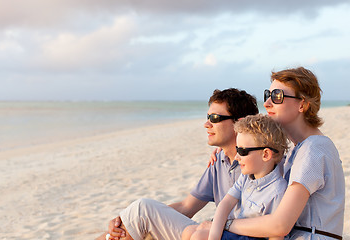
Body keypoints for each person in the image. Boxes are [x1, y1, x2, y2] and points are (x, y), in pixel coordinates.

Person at [97, 88, 259, 240]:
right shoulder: (218, 162)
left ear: (240, 123)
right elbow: (186, 207)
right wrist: (125, 218)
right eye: (207, 117)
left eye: (215, 118)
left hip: (230, 234)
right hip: (213, 232)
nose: (207, 124)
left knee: (142, 209)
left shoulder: (258, 161)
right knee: (136, 215)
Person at [206, 67, 345, 239]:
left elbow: (280, 225)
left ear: (302, 104)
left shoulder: (313, 149)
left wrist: (224, 223)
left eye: (277, 96)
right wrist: (226, 149)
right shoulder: (298, 148)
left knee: (200, 233)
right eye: (267, 95)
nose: (266, 103)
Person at [182, 114, 288, 240]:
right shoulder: (246, 177)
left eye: (243, 152)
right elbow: (225, 204)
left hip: (254, 237)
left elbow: (276, 233)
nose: (237, 157)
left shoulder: (278, 190)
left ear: (265, 154)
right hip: (238, 232)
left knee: (199, 236)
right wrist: (214, 236)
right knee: (188, 231)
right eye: (237, 150)